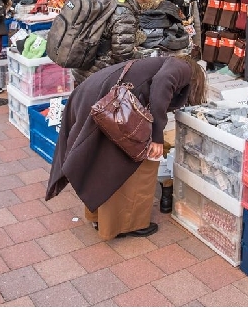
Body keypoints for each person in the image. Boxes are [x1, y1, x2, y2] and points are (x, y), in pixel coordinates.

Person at [46, 55, 207, 240]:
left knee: (102, 162)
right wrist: (157, 137)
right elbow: (161, 85)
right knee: (129, 165)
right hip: (105, 101)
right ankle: (124, 224)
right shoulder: (183, 68)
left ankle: (99, 217)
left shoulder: (162, 63)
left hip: (96, 95)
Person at [72, 0, 159, 87]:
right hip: (96, 75)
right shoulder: (124, 13)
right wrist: (150, 55)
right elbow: (123, 56)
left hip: (82, 68)